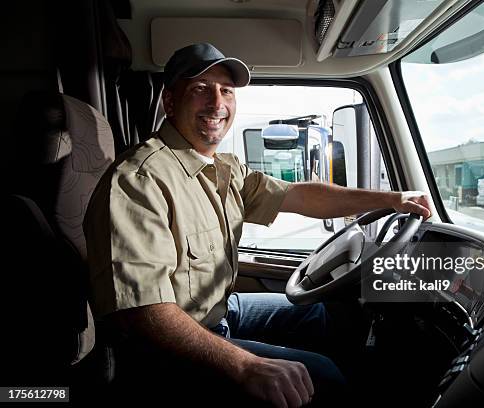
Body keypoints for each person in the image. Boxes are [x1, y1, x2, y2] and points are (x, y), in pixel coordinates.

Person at [84, 43, 431, 407]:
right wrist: (246, 365)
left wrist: (390, 200)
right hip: (165, 352)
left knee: (321, 314)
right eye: (201, 89)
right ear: (170, 102)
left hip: (218, 309)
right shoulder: (138, 181)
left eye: (226, 91)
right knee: (323, 375)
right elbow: (144, 314)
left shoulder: (224, 168)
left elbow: (300, 196)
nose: (217, 103)